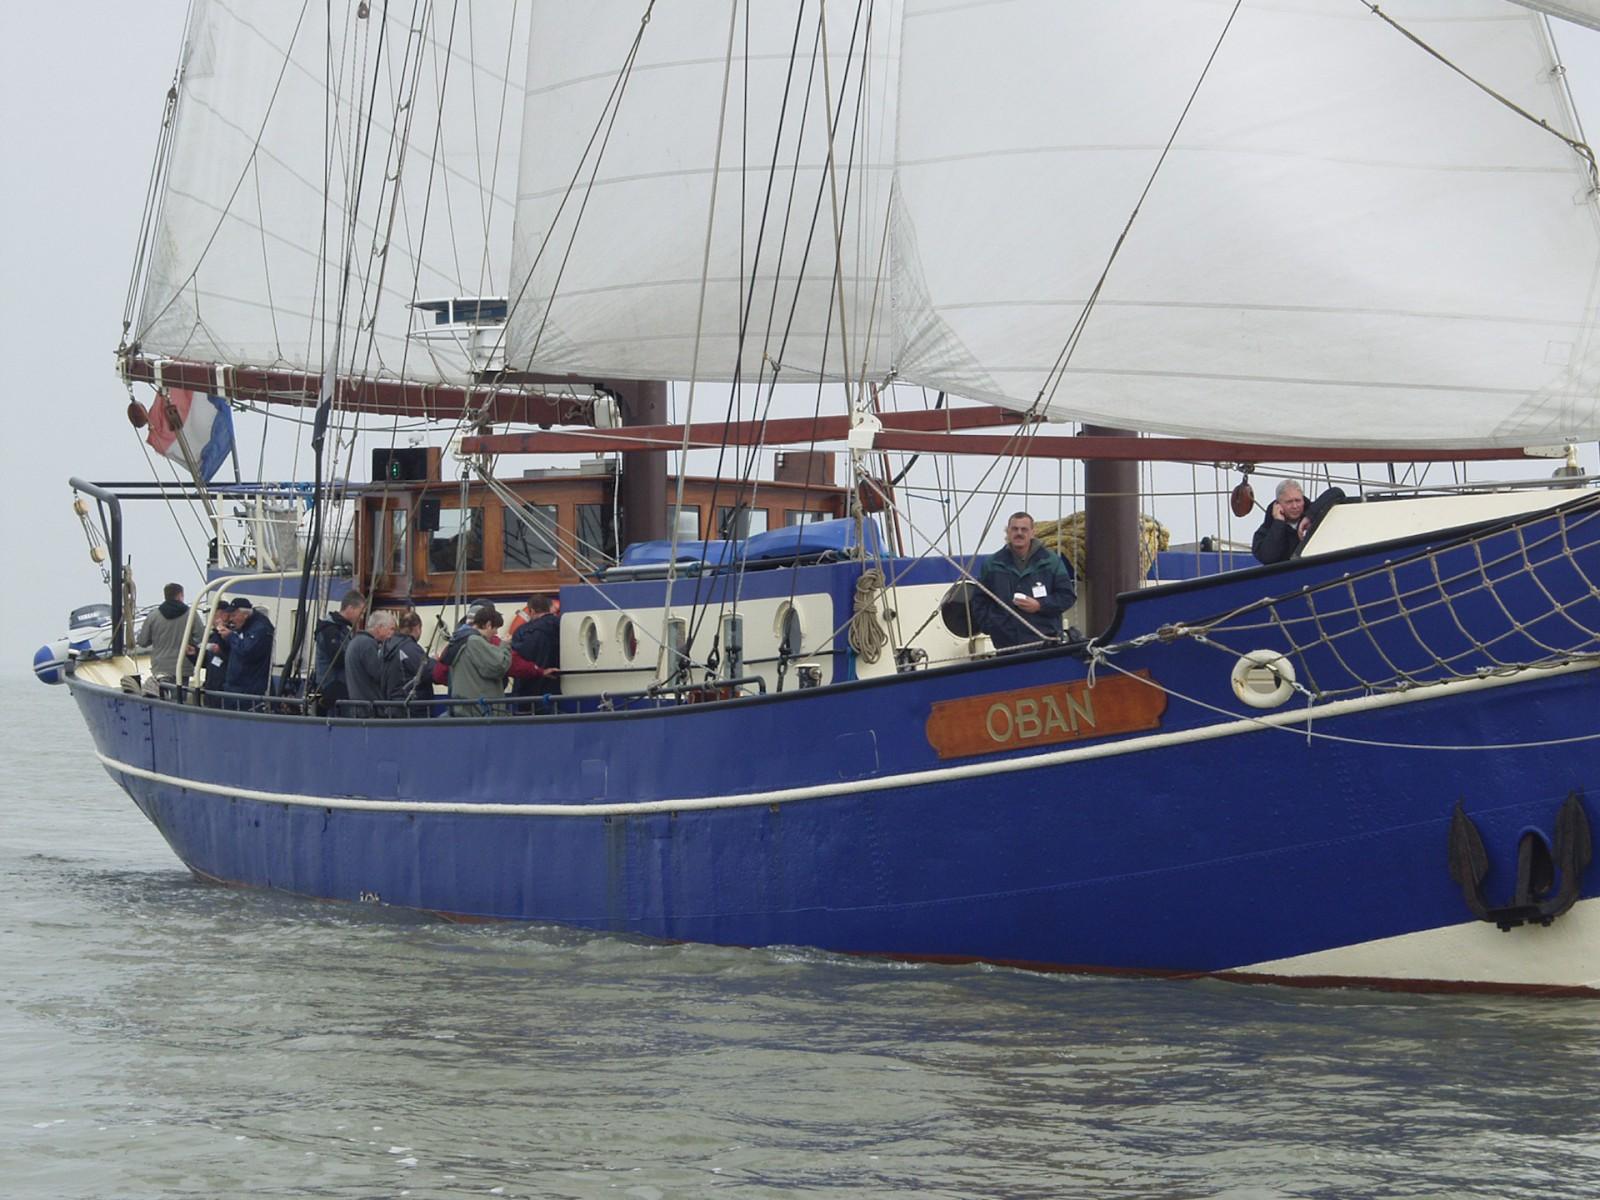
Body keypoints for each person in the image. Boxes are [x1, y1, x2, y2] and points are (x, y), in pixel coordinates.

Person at [971, 511, 1078, 652]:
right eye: (1014, 529)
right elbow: (979, 601)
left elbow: (1067, 596)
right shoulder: (992, 564)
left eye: (1024, 529)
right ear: (1008, 532)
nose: (1019, 533)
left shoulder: (1051, 562)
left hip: (1044, 644)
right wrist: (992, 626)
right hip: (1006, 646)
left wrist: (1040, 605)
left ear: (1032, 533)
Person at [1252, 479, 1347, 565]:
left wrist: (1309, 517)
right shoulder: (1264, 531)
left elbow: (1337, 492)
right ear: (1278, 504)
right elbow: (1268, 558)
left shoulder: (1315, 513)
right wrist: (1278, 523)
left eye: (1298, 500)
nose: (1295, 506)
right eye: (1289, 502)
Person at [447, 604, 512, 715]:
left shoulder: (460, 640)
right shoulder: (475, 641)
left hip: (466, 708)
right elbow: (498, 666)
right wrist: (505, 646)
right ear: (488, 625)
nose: (496, 633)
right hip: (480, 711)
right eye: (496, 628)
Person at [136, 582, 201, 682]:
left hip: (160, 666)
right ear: (180, 595)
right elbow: (201, 637)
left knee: (163, 695)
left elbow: (142, 642)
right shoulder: (192, 614)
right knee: (180, 696)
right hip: (183, 666)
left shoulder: (153, 616)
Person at [313, 591, 365, 713]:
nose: (362, 617)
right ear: (351, 608)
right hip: (333, 691)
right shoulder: (331, 630)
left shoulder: (342, 629)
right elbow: (338, 659)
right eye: (361, 612)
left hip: (339, 689)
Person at [221, 598, 275, 708]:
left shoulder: (260, 628)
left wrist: (231, 636)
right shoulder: (243, 628)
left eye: (233, 615)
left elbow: (247, 651)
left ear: (245, 614)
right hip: (236, 689)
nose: (231, 620)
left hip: (249, 691)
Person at [509, 594, 561, 703]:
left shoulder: (522, 631)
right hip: (558, 688)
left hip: (528, 691)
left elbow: (516, 661)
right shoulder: (563, 626)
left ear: (531, 611)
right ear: (549, 608)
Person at [382, 612, 435, 716]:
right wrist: (435, 661)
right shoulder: (410, 648)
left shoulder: (386, 647)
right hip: (413, 709)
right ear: (417, 628)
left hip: (392, 707)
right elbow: (429, 671)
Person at [343, 609, 395, 714]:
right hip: (369, 711)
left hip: (357, 708)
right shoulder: (368, 645)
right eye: (391, 629)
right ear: (379, 627)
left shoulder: (355, 642)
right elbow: (379, 674)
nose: (393, 634)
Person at [201, 605, 232, 707]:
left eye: (215, 614)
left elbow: (233, 658)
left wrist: (219, 652)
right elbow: (206, 661)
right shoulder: (212, 636)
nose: (212, 618)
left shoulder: (230, 635)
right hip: (211, 684)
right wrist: (194, 654)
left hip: (223, 685)